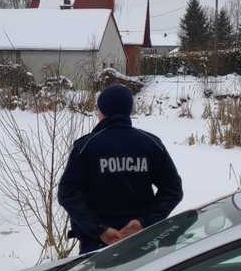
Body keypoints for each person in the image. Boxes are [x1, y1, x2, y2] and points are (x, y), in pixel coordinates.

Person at [58, 83, 184, 254]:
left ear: (102, 111)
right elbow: (173, 190)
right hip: (142, 243)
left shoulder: (86, 146)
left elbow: (68, 194)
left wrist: (100, 230)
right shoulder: (151, 143)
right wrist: (144, 223)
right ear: (128, 111)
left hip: (97, 246)